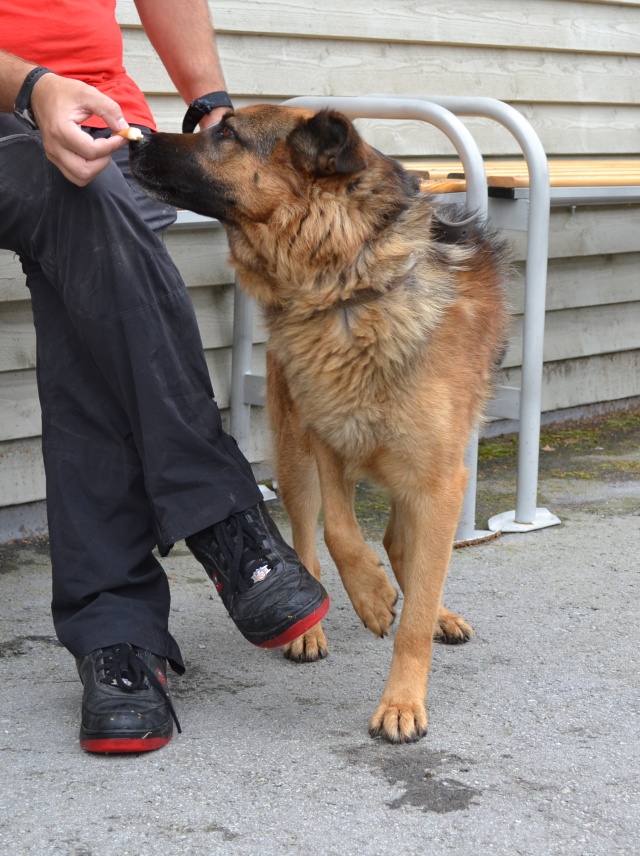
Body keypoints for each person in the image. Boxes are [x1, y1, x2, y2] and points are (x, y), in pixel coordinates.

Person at [0, 0, 329, 755]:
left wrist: (210, 101)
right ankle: (221, 518)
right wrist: (34, 89)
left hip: (100, 123)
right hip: (24, 114)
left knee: (93, 274)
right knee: (82, 198)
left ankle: (116, 640)